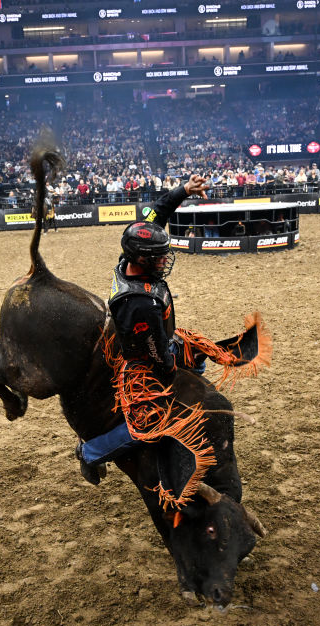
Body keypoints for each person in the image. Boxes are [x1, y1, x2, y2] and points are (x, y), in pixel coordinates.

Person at [75, 174, 209, 486]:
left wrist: (183, 191)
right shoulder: (140, 305)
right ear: (142, 259)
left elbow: (156, 214)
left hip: (150, 335)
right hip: (142, 359)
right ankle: (91, 452)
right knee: (158, 420)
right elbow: (158, 357)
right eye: (159, 256)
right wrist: (176, 373)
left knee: (197, 353)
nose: (165, 259)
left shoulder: (131, 253)